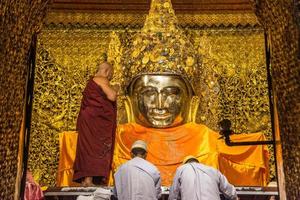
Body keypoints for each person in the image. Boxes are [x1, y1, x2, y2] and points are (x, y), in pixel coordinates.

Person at [73, 61, 118, 187]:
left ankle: (86, 180)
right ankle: (88, 180)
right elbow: (112, 96)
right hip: (96, 121)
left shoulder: (92, 82)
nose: (110, 78)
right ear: (107, 71)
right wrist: (115, 88)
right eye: (111, 75)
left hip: (89, 120)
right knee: (94, 148)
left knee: (88, 147)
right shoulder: (101, 79)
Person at [169, 155, 238, 200]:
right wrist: (234, 197)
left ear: (185, 163)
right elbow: (229, 190)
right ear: (197, 162)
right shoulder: (212, 170)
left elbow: (174, 194)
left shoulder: (181, 169)